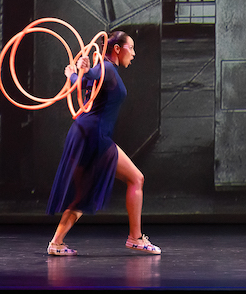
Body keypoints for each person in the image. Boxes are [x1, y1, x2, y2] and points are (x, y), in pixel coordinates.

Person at [46, 31, 160, 256]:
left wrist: (74, 74)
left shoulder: (106, 69)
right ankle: (135, 238)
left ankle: (56, 243)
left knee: (83, 193)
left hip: (84, 133)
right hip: (94, 136)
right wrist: (83, 69)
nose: (134, 54)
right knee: (136, 179)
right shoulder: (106, 68)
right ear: (117, 49)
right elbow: (89, 76)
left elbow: (83, 81)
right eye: (131, 48)